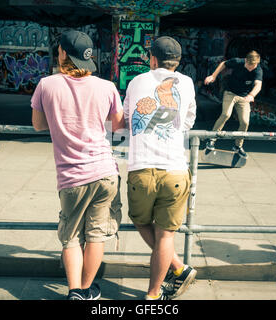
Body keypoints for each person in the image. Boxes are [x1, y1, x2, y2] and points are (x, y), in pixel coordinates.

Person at [31, 30, 125, 300]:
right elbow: (117, 127)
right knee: (96, 235)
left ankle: (74, 292)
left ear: (62, 53)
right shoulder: (107, 87)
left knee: (71, 236)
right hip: (105, 172)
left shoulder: (46, 85)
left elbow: (38, 125)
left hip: (71, 177)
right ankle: (86, 290)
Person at [123, 36, 197, 300]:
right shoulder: (187, 82)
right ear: (177, 61)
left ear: (152, 59)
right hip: (176, 169)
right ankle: (153, 295)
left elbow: (128, 119)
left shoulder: (136, 81)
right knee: (166, 236)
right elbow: (188, 121)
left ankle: (179, 267)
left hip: (142, 168)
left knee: (140, 220)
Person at [204, 51, 263, 157]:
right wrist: (213, 76)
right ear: (246, 60)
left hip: (245, 97)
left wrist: (251, 95)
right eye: (249, 66)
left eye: (253, 66)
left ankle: (237, 146)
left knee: (245, 122)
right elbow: (223, 64)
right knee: (226, 114)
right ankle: (211, 140)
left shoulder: (258, 69)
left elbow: (258, 85)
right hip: (230, 93)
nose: (251, 68)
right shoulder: (238, 61)